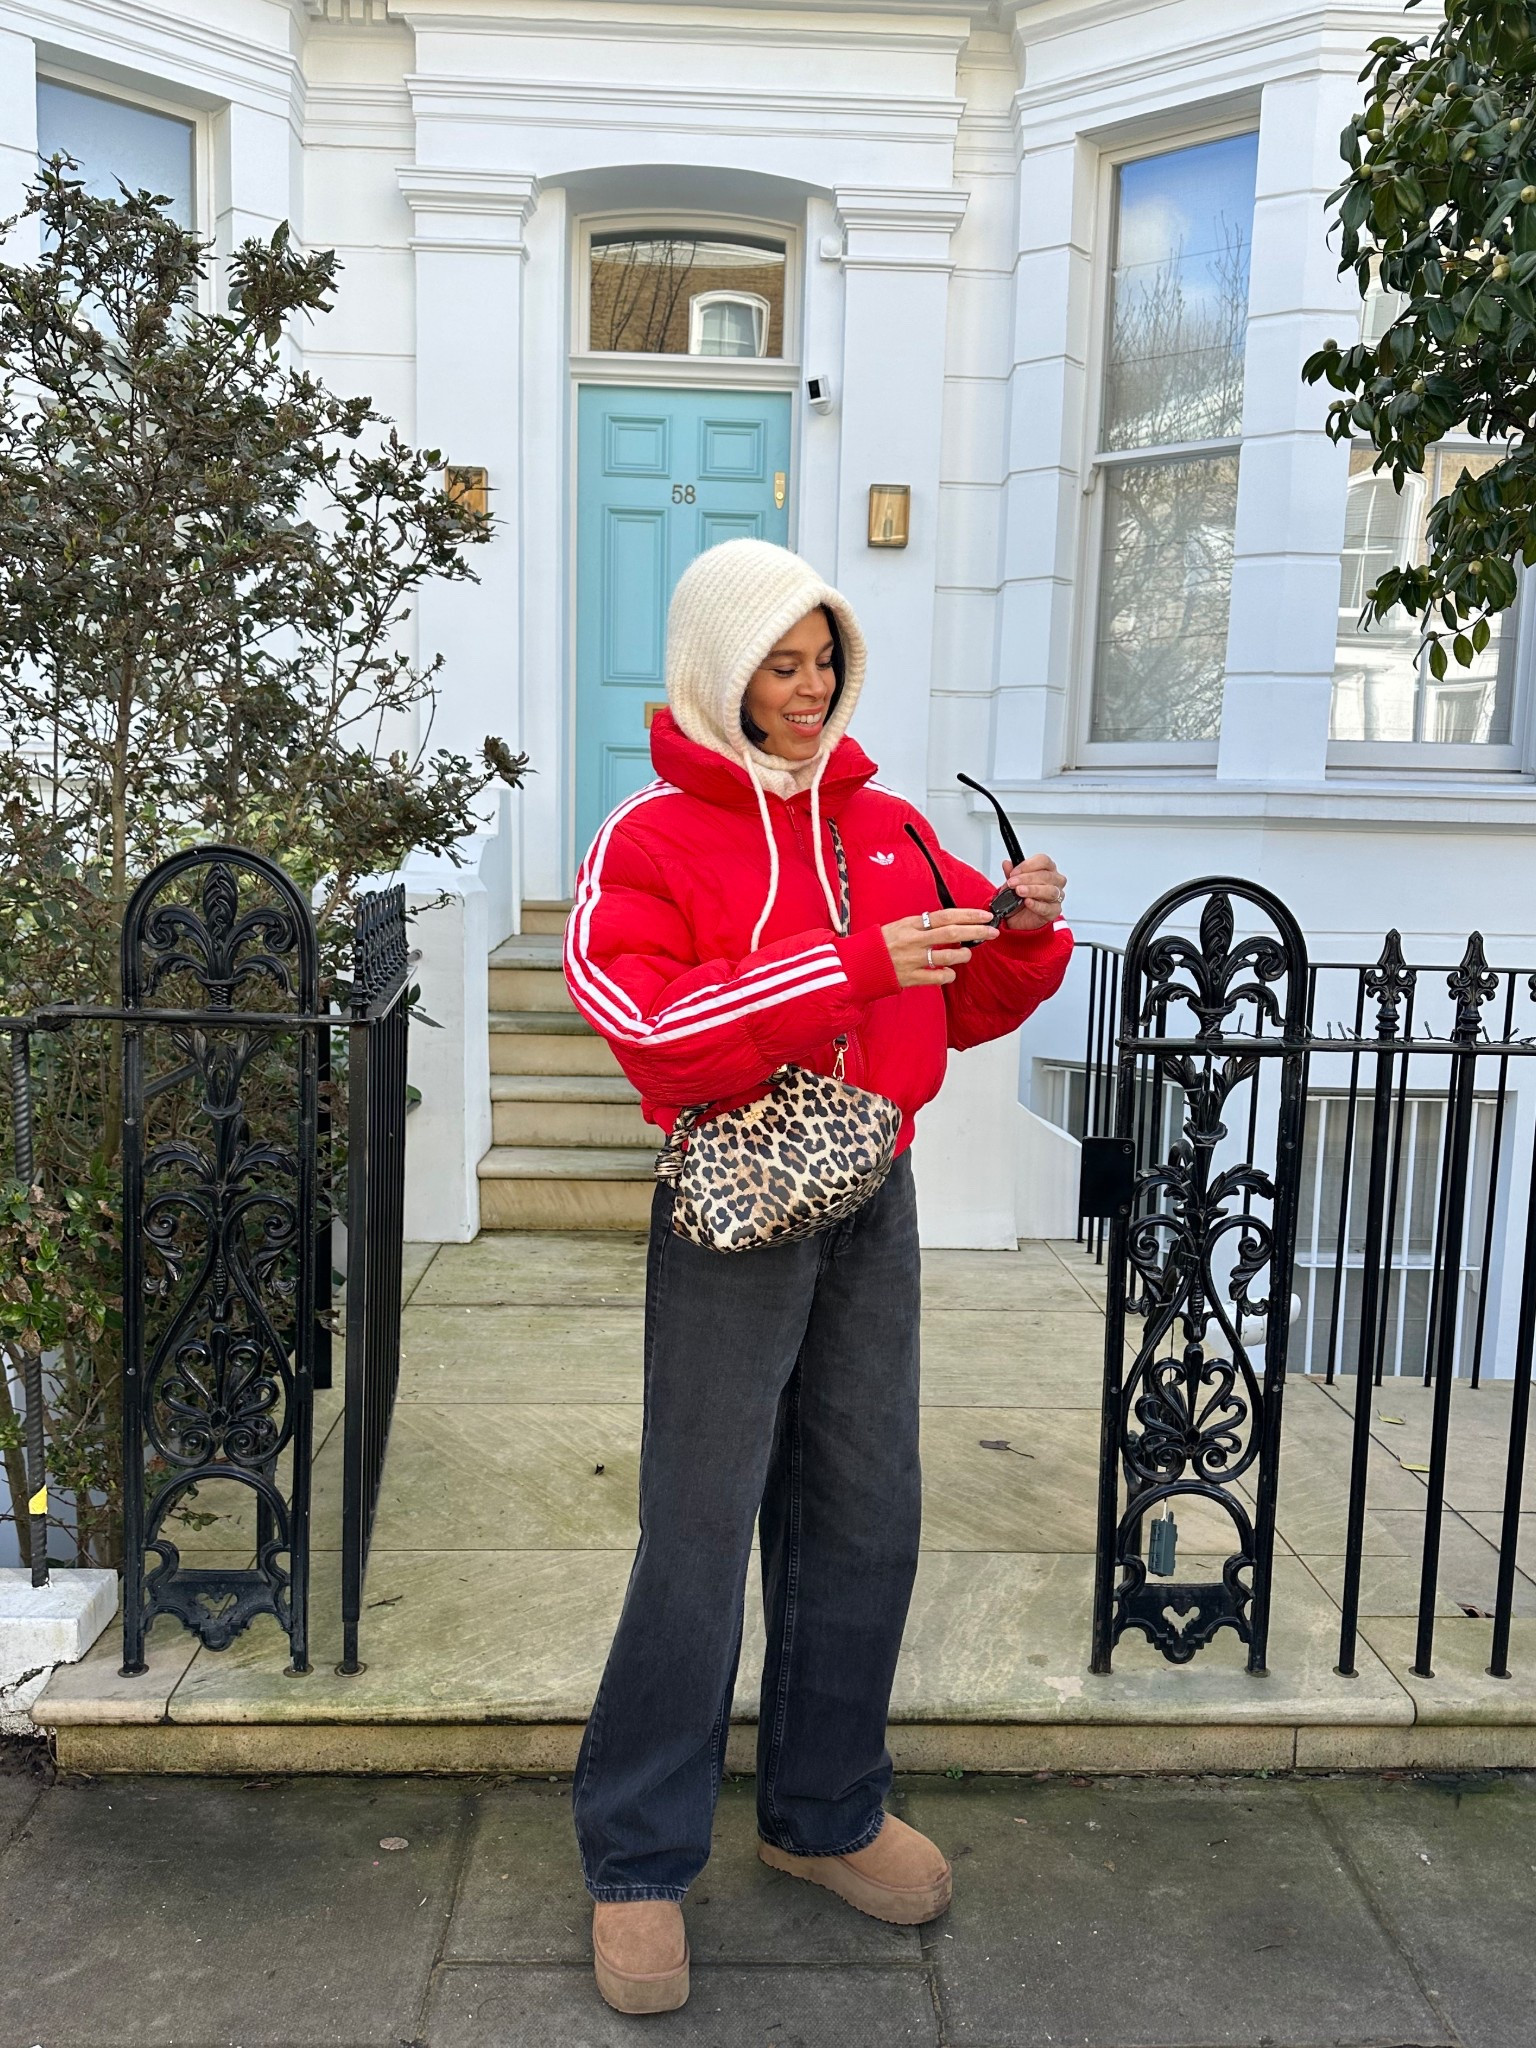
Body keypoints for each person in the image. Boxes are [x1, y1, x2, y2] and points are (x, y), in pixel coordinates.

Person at [563, 538, 1071, 2015]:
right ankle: (639, 1859)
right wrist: (854, 966)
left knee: (864, 1507)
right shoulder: (650, 839)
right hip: (735, 1199)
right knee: (698, 1532)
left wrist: (1018, 933)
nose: (809, 690)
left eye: (825, 659)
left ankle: (823, 1813)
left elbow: (961, 999)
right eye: (780, 666)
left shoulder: (892, 819)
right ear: (721, 676)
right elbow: (647, 1027)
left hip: (871, 1188)